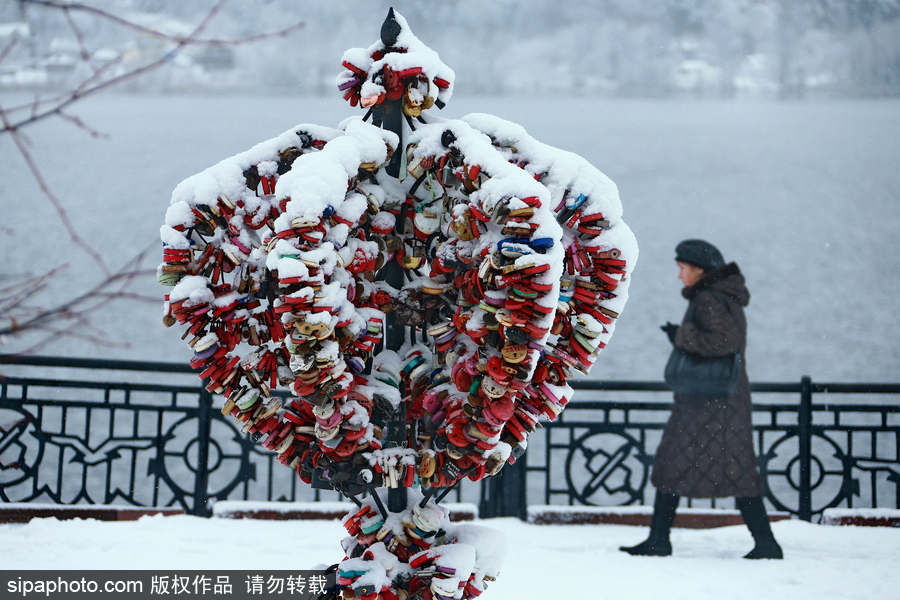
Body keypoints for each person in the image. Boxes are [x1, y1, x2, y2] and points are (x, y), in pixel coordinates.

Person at [620, 239, 783, 559]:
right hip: (720, 400)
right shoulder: (723, 296)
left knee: (682, 465)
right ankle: (761, 542)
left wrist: (679, 335)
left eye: (682, 270)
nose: (679, 276)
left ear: (698, 270)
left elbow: (724, 341)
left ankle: (763, 543)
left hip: (709, 403)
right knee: (722, 469)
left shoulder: (708, 297)